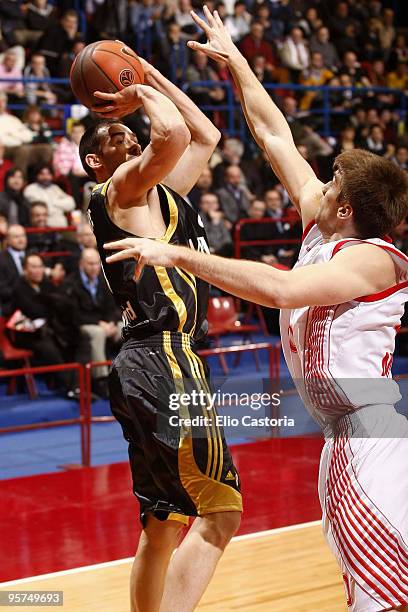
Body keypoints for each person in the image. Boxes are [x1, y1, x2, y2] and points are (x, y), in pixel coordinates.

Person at [102, 9, 408, 612]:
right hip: (348, 435)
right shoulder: (327, 223)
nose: (320, 183)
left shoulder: (376, 259)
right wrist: (235, 60)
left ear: (347, 209)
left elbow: (281, 291)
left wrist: (176, 255)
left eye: (334, 182)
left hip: (367, 435)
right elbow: (273, 135)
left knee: (379, 598)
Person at [79, 56, 241, 612]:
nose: (130, 135)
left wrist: (144, 72)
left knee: (162, 523)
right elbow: (170, 132)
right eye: (118, 134)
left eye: (131, 131)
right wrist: (137, 93)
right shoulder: (120, 188)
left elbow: (204, 133)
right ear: (97, 161)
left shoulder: (159, 194)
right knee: (221, 512)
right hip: (164, 360)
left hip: (148, 364)